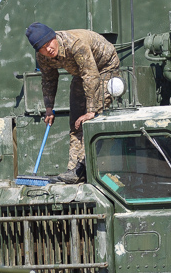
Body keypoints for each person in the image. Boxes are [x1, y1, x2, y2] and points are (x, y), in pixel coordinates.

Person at [25, 22, 120, 184]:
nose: (48, 49)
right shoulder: (43, 56)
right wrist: (49, 108)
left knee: (92, 119)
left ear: (54, 37)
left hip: (104, 67)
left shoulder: (75, 44)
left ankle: (84, 167)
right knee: (76, 122)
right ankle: (73, 170)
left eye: (49, 43)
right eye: (42, 47)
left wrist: (91, 110)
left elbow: (91, 75)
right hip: (80, 73)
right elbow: (49, 79)